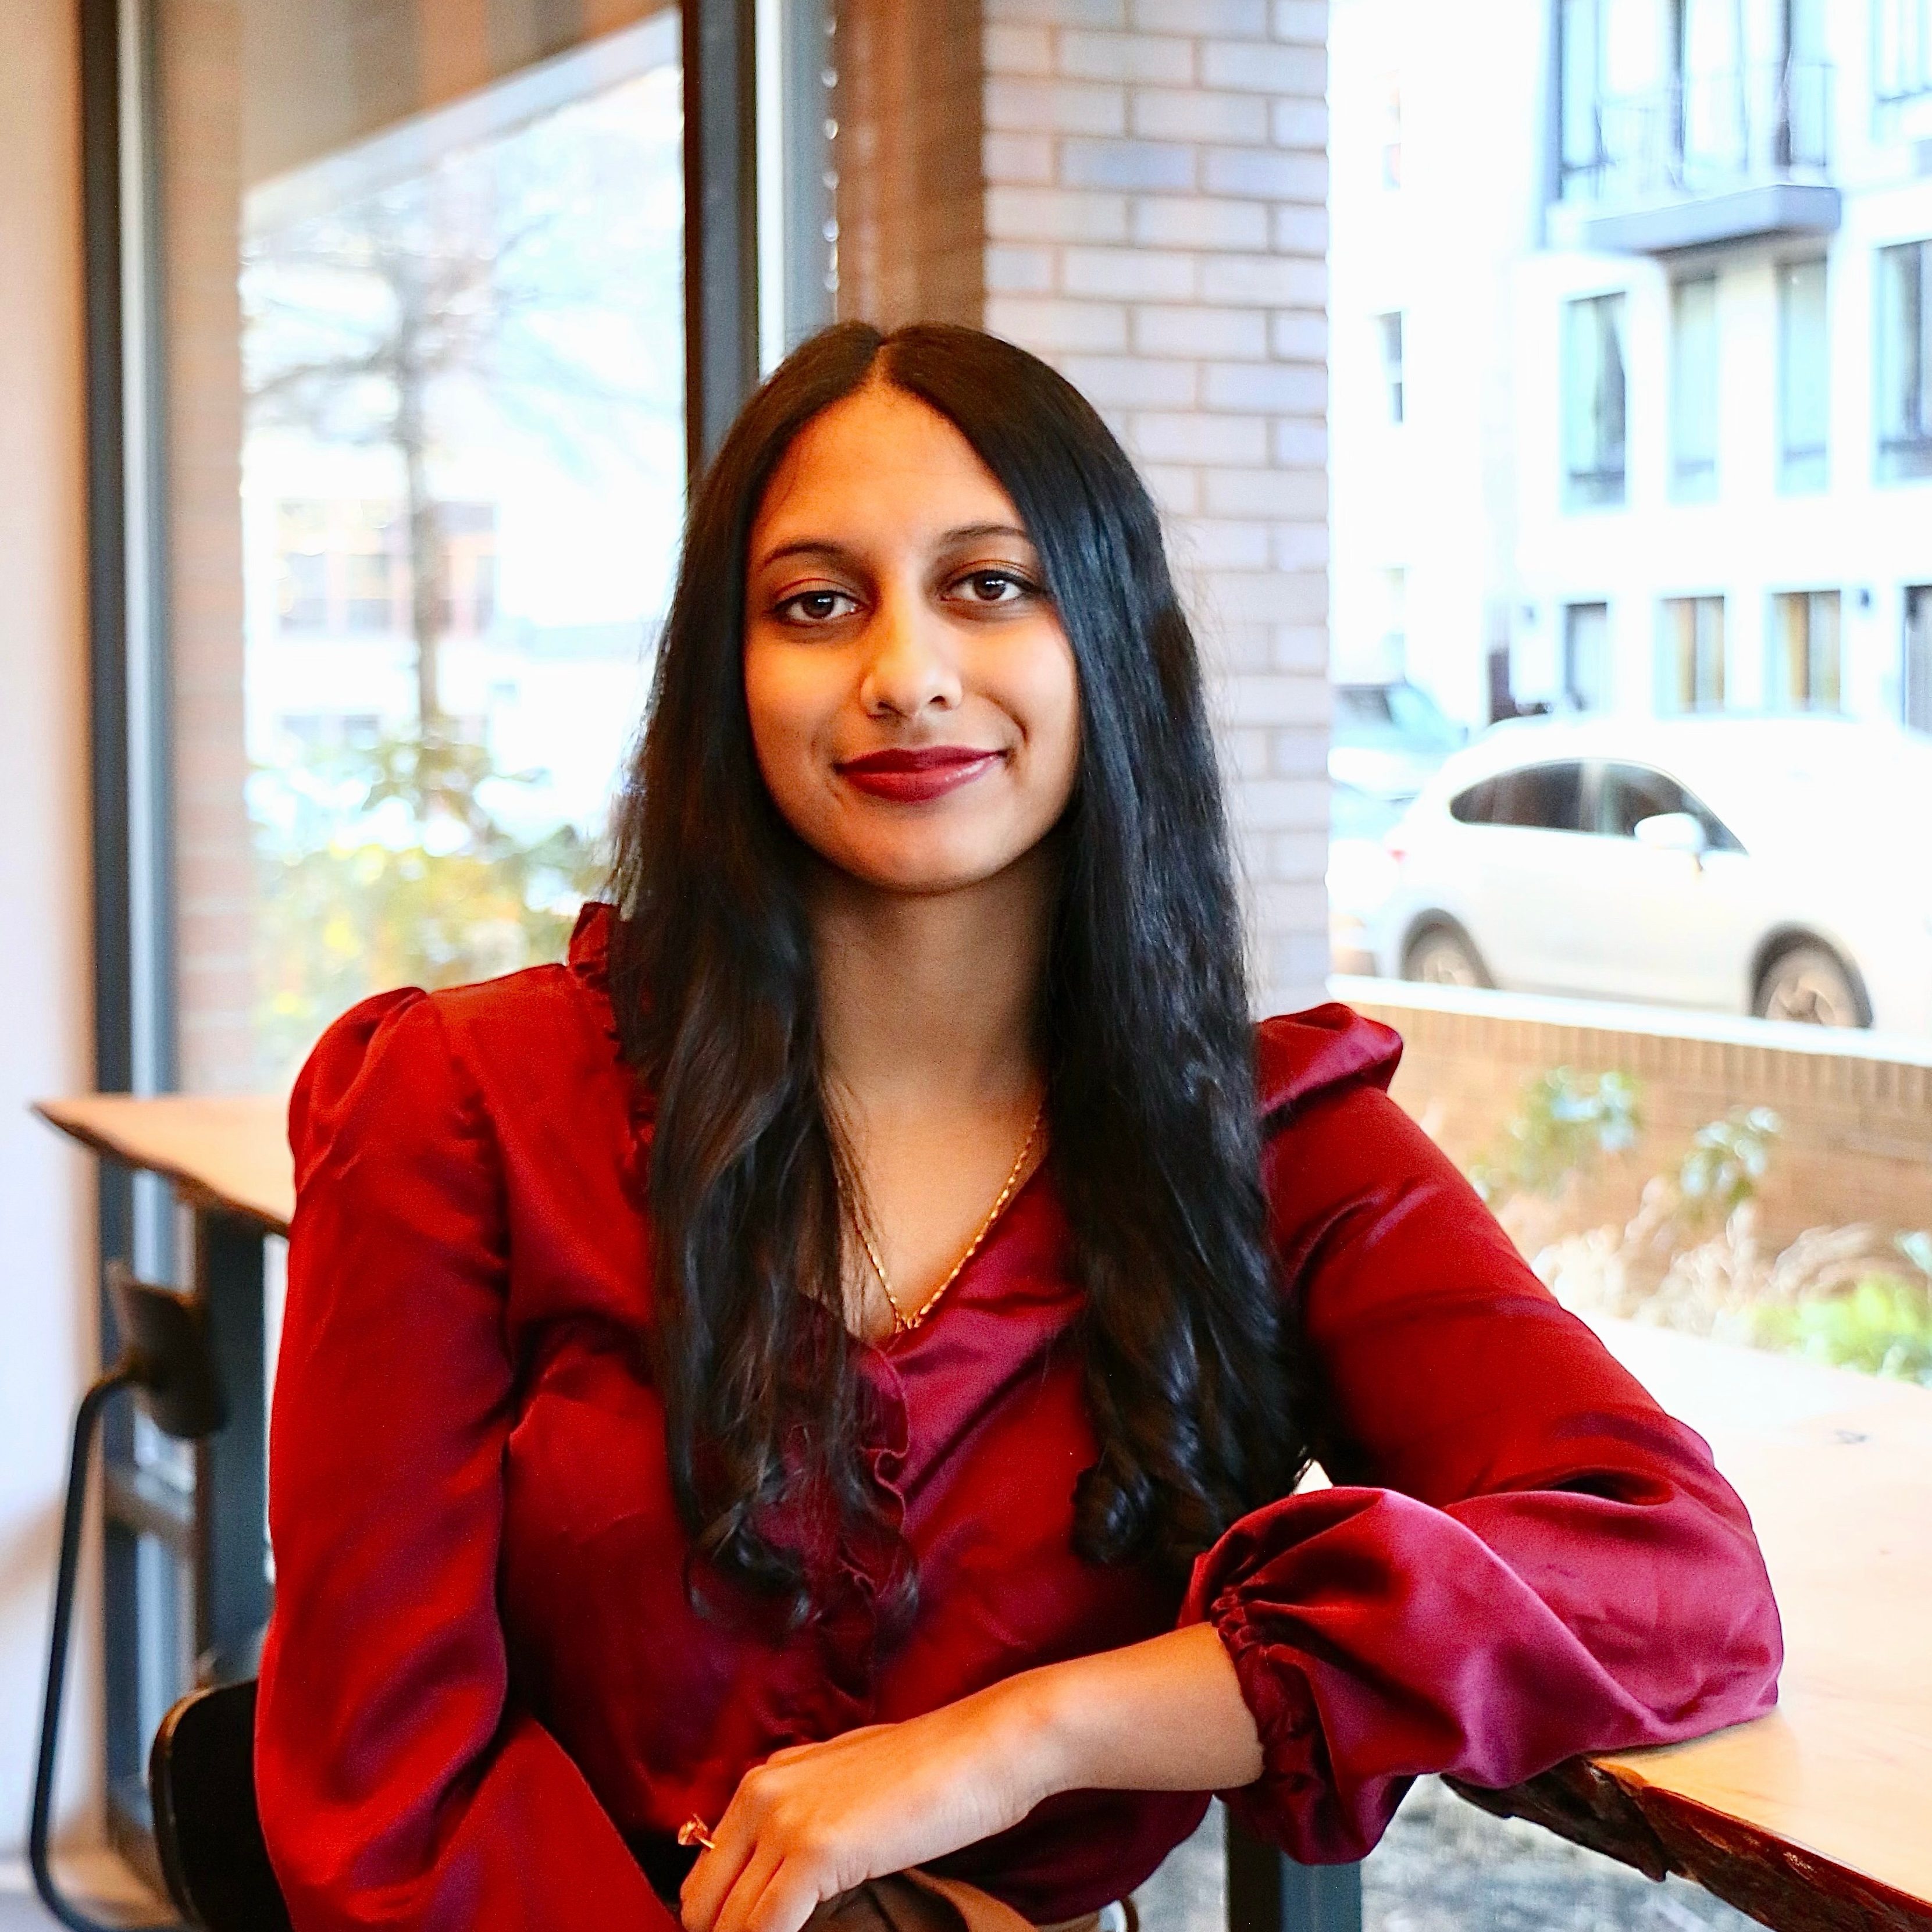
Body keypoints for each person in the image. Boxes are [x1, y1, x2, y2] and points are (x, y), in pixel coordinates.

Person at [254, 323, 1781, 1932]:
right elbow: (375, 1807)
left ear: (1107, 642)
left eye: (988, 584)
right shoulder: (460, 1105)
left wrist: (1021, 1740)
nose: (903, 671)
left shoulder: (1272, 1148)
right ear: (729, 675)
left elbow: (1675, 1586)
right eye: (814, 602)